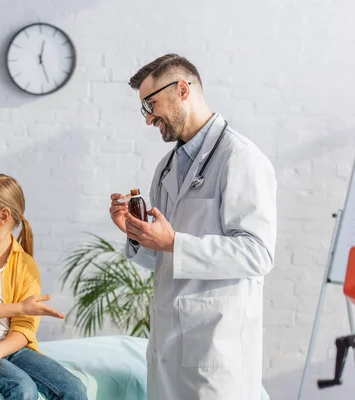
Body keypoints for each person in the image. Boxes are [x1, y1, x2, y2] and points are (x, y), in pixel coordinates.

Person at [108, 54, 277, 400]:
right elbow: (164, 259)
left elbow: (258, 254)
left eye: (150, 104)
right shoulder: (166, 168)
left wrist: (174, 243)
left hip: (215, 352)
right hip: (167, 351)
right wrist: (137, 234)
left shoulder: (240, 158)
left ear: (183, 89)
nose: (148, 118)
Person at [0, 173, 87, 400]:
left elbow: (25, 329)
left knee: (74, 389)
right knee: (22, 388)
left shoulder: (26, 265)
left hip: (11, 349)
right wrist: (20, 307)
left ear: (2, 216)